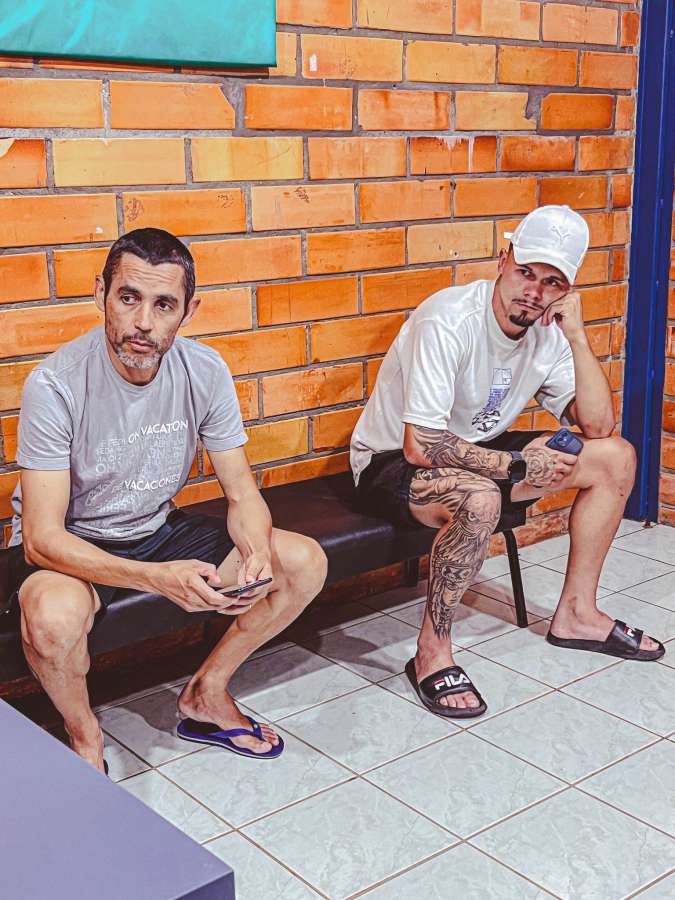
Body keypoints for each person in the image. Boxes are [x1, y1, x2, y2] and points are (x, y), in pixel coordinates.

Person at [7, 228, 328, 768]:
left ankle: (207, 691)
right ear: (101, 294)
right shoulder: (55, 384)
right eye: (128, 297)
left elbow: (242, 493)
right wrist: (157, 578)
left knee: (301, 563)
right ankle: (85, 735)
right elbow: (41, 539)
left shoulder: (204, 370)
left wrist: (254, 553)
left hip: (156, 529)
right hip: (75, 545)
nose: (143, 322)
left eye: (164, 305)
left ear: (188, 311)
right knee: (52, 619)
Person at [350, 205, 665, 720]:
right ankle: (432, 652)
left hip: (481, 445)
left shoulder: (549, 331)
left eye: (552, 282)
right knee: (479, 498)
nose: (534, 291)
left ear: (566, 290)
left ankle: (577, 614)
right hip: (390, 462)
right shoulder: (448, 318)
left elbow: (599, 427)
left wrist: (577, 337)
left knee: (616, 457)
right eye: (526, 272)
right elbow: (420, 445)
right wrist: (518, 465)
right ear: (503, 260)